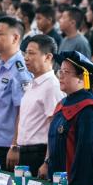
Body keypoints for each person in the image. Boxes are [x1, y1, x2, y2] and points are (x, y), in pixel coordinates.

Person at [44, 51, 93, 185]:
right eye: (60, 71)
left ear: (81, 78)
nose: (61, 76)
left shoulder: (88, 109)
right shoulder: (61, 104)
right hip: (55, 179)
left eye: (66, 72)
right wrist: (46, 163)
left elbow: (85, 154)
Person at [0, 16, 33, 165]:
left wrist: (15, 145)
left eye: (0, 34)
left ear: (15, 38)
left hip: (7, 146)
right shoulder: (0, 68)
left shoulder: (20, 70)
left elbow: (23, 111)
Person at [18, 34, 64, 175]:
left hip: (39, 153)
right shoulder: (32, 83)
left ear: (48, 57)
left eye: (31, 53)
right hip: (24, 151)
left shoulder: (52, 86)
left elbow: (54, 127)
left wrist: (47, 161)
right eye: (25, 53)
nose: (26, 58)